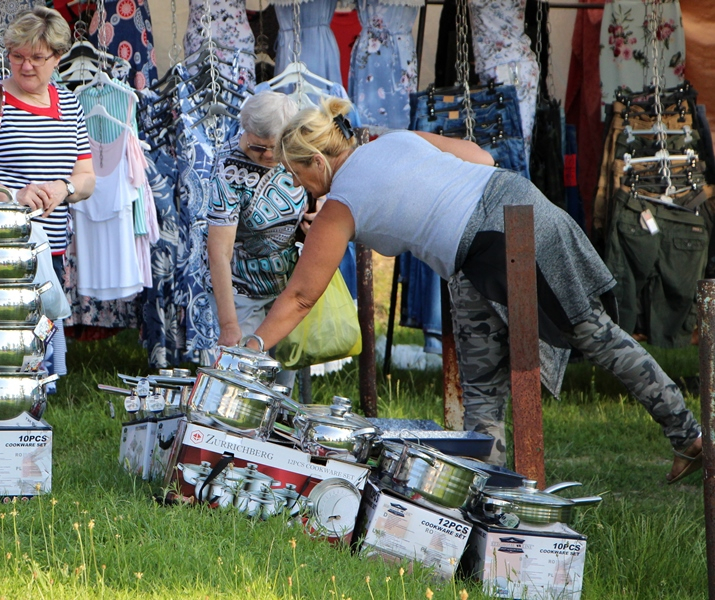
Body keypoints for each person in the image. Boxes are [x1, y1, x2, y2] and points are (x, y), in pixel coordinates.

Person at [247, 96, 703, 483]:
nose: (297, 185)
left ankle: (496, 493)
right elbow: (482, 158)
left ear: (317, 161)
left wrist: (249, 349)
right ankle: (684, 436)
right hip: (520, 207)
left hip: (489, 247)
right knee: (585, 342)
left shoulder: (341, 203)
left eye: (295, 174)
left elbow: (301, 296)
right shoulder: (392, 140)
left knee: (531, 367)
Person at [0, 6, 96, 381]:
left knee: (36, 350)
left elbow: (87, 178)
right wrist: (12, 195)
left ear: (58, 57)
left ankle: (33, 407)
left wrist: (64, 188)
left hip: (47, 254)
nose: (26, 66)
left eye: (37, 58)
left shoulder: (69, 105)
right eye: (17, 56)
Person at [207, 91, 315, 389]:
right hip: (242, 290)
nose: (269, 156)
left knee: (281, 386)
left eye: (276, 147)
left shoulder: (296, 150)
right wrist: (230, 325)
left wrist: (313, 219)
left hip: (288, 289)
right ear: (245, 130)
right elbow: (219, 252)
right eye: (258, 147)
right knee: (242, 385)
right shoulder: (228, 168)